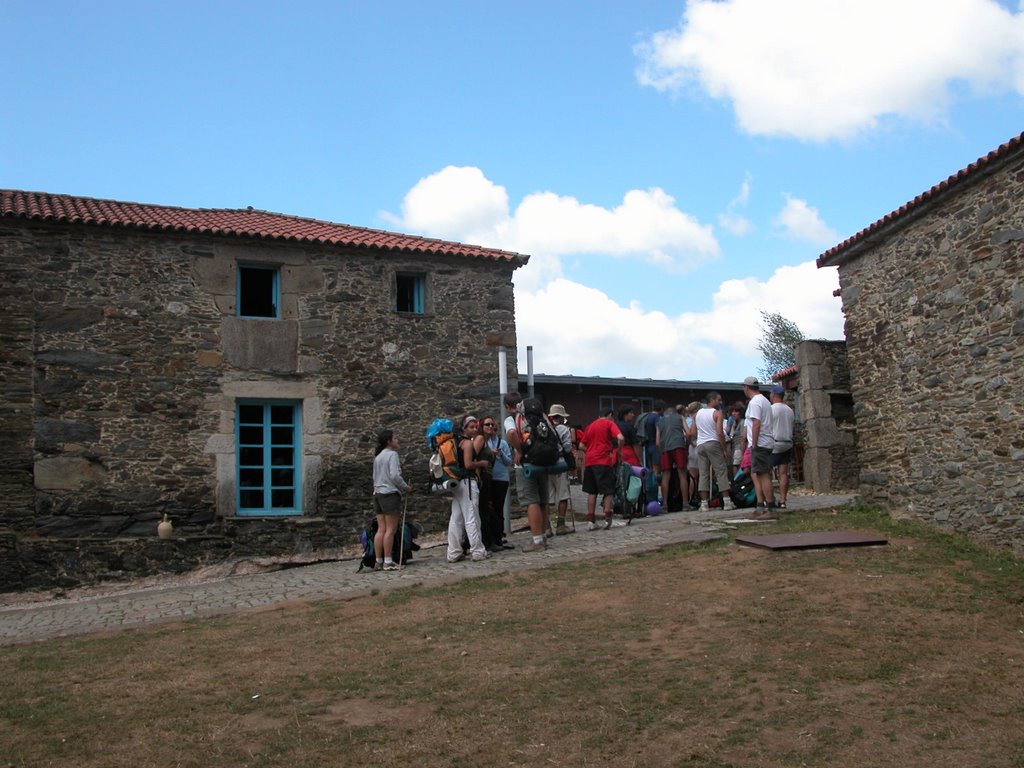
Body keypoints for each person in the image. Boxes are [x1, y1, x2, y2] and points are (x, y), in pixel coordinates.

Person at [507, 397, 556, 553]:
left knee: (531, 501)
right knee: (542, 501)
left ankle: (536, 541)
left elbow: (512, 433)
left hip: (526, 465)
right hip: (543, 462)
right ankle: (543, 536)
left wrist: (520, 450)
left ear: (508, 407)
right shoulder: (541, 417)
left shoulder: (512, 418)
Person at [447, 415, 491, 563]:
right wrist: (482, 463)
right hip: (467, 482)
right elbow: (468, 465)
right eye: (471, 427)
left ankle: (453, 552)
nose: (474, 430)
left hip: (458, 484)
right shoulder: (467, 443)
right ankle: (477, 550)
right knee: (471, 516)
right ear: (464, 428)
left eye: (475, 427)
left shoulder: (456, 442)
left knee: (456, 518)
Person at [371, 429, 409, 571]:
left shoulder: (378, 456)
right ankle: (388, 561)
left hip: (378, 493)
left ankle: (378, 560)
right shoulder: (392, 455)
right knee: (390, 530)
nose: (397, 440)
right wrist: (405, 487)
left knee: (381, 529)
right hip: (389, 494)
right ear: (389, 441)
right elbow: (394, 475)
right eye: (395, 438)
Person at [579, 412, 624, 530]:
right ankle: (608, 519)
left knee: (592, 491)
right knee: (608, 490)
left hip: (590, 462)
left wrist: (590, 451)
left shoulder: (590, 426)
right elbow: (620, 437)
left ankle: (591, 521)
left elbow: (581, 445)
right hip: (603, 461)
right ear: (610, 415)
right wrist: (619, 451)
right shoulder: (609, 423)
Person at [694, 392, 736, 513]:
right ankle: (727, 501)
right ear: (712, 400)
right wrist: (723, 448)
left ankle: (704, 503)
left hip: (700, 444)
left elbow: (694, 431)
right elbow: (719, 432)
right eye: (719, 399)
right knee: (721, 471)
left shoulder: (698, 414)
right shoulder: (717, 413)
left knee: (703, 473)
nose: (720, 402)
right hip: (713, 442)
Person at [742, 377, 777, 519]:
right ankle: (760, 506)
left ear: (746, 387)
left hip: (760, 443)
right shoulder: (764, 401)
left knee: (763, 475)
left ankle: (771, 509)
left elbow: (756, 423)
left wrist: (754, 444)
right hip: (766, 441)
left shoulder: (755, 402)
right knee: (757, 475)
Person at [483, 416, 513, 552]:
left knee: (499, 508)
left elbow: (509, 462)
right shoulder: (484, 443)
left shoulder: (503, 443)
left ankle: (499, 535)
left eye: (494, 428)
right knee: (490, 508)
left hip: (501, 479)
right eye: (489, 427)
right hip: (490, 478)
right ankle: (491, 536)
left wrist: (500, 455)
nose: (492, 430)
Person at [546, 404, 575, 535]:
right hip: (560, 463)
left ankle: (546, 527)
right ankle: (561, 525)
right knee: (563, 495)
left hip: (546, 465)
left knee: (547, 497)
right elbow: (568, 448)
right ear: (561, 417)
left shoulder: (544, 427)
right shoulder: (563, 429)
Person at [769, 385, 795, 509]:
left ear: (773, 395)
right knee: (783, 473)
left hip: (774, 443)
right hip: (787, 442)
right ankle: (783, 500)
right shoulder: (789, 410)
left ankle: (769, 499)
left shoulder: (771, 409)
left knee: (766, 472)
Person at [658, 403, 688, 512]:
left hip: (665, 448)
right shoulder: (680, 417)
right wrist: (687, 445)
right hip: (679, 445)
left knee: (665, 475)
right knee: (682, 475)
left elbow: (657, 441)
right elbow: (688, 433)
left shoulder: (660, 421)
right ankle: (685, 503)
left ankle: (665, 504)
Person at [684, 402, 700, 509]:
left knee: (692, 476)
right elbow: (689, 433)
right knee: (699, 475)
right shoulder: (697, 419)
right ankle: (698, 497)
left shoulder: (686, 420)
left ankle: (691, 497)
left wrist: (689, 443)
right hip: (698, 446)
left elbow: (686, 434)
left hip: (692, 448)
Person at [726, 403, 746, 475]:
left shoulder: (743, 422)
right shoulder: (735, 423)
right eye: (733, 411)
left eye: (736, 411)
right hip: (734, 447)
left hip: (739, 447)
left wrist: (742, 451)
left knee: (736, 465)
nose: (734, 413)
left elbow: (743, 437)